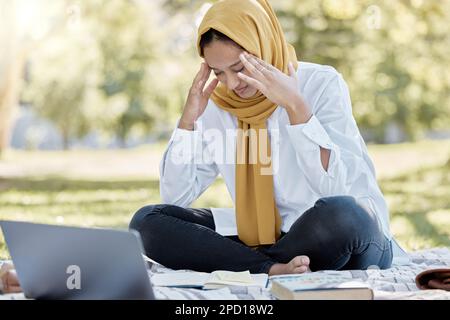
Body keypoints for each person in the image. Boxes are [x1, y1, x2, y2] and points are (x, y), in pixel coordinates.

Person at [129, 0, 394, 275]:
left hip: (344, 234)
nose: (232, 84)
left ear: (263, 46)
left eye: (239, 68)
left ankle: (242, 263)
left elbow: (340, 189)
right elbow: (175, 196)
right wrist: (188, 122)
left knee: (342, 215)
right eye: (219, 72)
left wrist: (296, 107)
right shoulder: (216, 104)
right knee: (147, 221)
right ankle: (271, 267)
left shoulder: (321, 83)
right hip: (261, 235)